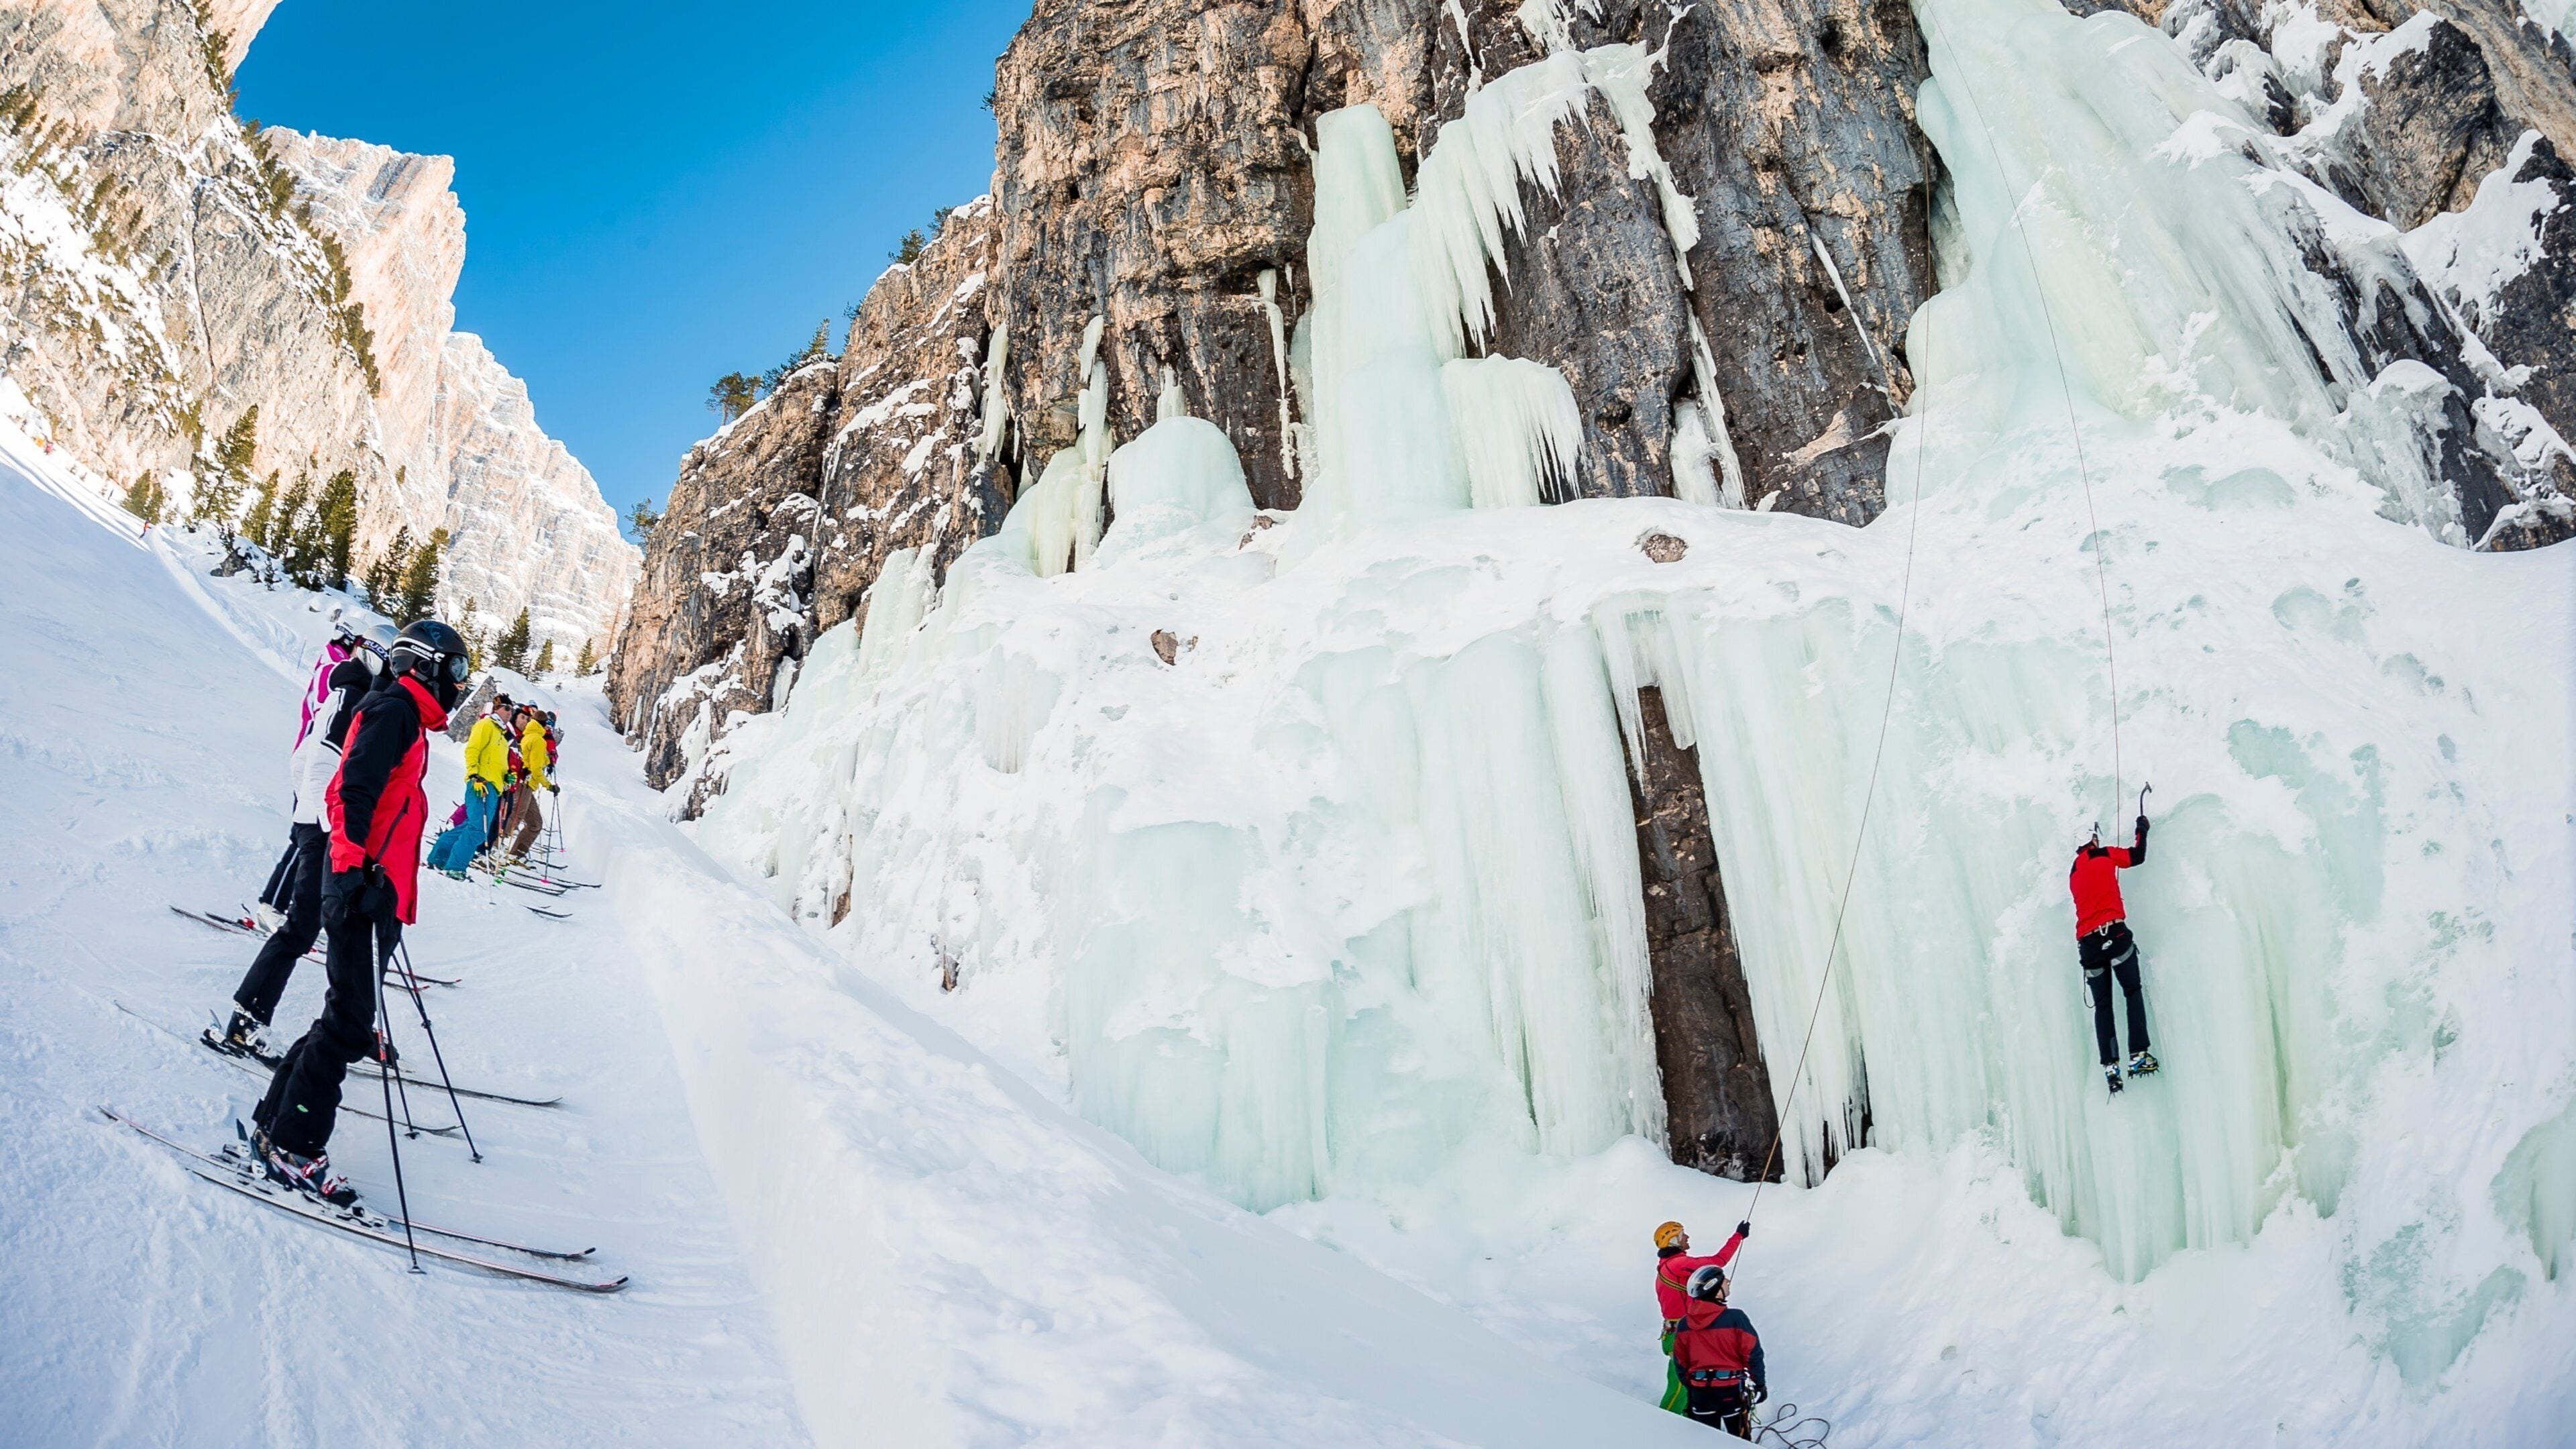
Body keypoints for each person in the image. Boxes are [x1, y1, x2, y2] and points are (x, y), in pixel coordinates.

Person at [251, 619, 466, 1205]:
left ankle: (275, 1122)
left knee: (343, 1017)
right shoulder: (393, 711)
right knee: (349, 1023)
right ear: (426, 665)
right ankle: (293, 1146)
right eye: (458, 669)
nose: (461, 683)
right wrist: (349, 874)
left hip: (375, 890)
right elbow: (349, 792)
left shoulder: (407, 718)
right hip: (360, 889)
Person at [213, 623, 386, 1055]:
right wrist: (323, 825)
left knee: (308, 927)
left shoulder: (349, 694)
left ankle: (344, 1025)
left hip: (319, 826)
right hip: (323, 830)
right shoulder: (350, 698)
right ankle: (246, 1023)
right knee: (299, 929)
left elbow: (303, 760)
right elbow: (318, 764)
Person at [2072, 811, 2159, 1095]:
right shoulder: (2105, 854)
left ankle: (2111, 1067)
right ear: (2093, 838)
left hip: (2088, 945)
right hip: (2115, 935)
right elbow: (2138, 856)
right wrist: (2141, 829)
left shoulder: (2073, 872)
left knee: (2103, 1006)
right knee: (2131, 991)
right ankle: (2138, 1055)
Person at [1654, 1220, 1748, 1413]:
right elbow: (1718, 1261)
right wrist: (1738, 1236)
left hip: (1678, 1332)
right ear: (1674, 1241)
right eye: (1682, 1235)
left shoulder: (1668, 1266)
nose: (1687, 1237)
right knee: (1680, 1387)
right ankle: (1663, 1423)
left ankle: (1685, 1423)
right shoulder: (1678, 1265)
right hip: (1682, 1334)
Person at [425, 692, 512, 877]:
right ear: (496, 709)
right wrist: (474, 774)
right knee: (477, 829)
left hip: (494, 787)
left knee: (471, 827)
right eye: (506, 708)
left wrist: (507, 777)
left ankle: (439, 857)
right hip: (481, 783)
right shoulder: (486, 725)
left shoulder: (501, 735)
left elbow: (499, 763)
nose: (509, 712)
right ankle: (455, 868)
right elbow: (473, 749)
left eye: (511, 709)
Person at [1672, 1266, 1766, 1437]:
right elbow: (1753, 1354)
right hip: (1730, 1390)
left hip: (1700, 1392)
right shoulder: (1736, 1318)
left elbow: (1680, 1362)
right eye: (1724, 1280)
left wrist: (1692, 1387)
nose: (1728, 1282)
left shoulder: (1685, 1324)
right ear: (1714, 1287)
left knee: (1706, 1441)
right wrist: (1759, 1383)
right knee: (1740, 1441)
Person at [503, 700, 553, 859]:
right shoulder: (538, 740)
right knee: (516, 816)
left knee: (535, 823)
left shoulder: (528, 736)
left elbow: (532, 760)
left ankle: (516, 854)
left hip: (526, 783)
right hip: (526, 783)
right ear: (544, 724)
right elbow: (537, 770)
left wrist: (547, 759)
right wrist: (549, 786)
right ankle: (494, 845)